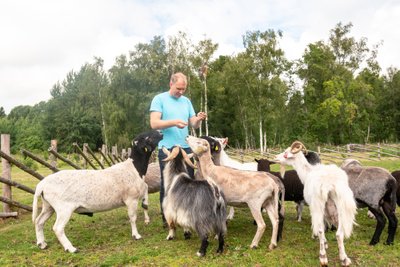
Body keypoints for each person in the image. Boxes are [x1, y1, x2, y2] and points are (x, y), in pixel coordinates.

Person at [149, 72, 207, 226]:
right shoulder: (159, 99)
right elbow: (154, 124)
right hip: (167, 149)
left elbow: (193, 124)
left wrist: (199, 119)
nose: (181, 92)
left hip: (186, 149)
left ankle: (187, 215)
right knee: (167, 184)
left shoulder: (186, 101)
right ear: (171, 83)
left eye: (183, 89)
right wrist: (174, 122)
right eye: (178, 88)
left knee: (189, 182)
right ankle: (168, 219)